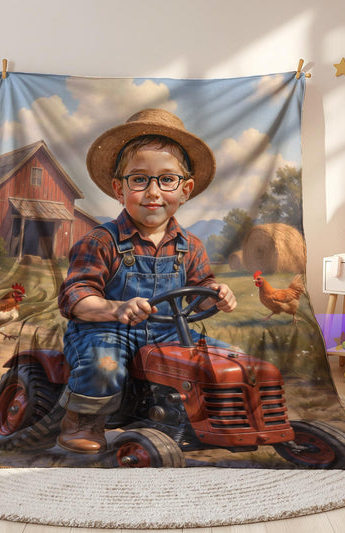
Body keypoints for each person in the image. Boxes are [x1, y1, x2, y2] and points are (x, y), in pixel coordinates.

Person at [57, 108, 237, 454]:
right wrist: (115, 308)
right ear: (119, 189)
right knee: (105, 363)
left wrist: (216, 294)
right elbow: (76, 296)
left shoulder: (190, 245)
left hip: (169, 331)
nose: (153, 191)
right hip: (107, 331)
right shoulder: (101, 241)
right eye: (139, 180)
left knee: (228, 357)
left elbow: (201, 290)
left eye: (167, 180)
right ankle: (83, 420)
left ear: (185, 190)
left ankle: (211, 418)